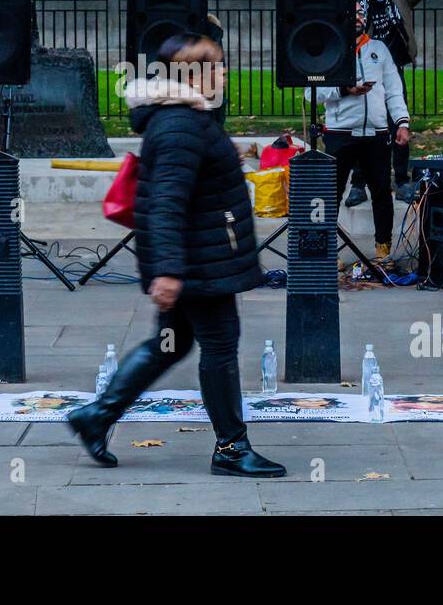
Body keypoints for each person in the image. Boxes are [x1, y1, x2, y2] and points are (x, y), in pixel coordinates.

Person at [66, 33, 285, 478]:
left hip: (197, 257)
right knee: (220, 346)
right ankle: (231, 448)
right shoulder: (181, 126)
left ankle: (97, 416)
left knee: (173, 344)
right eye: (216, 66)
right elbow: (165, 202)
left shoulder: (185, 119)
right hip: (197, 263)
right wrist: (166, 272)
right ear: (190, 74)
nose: (224, 73)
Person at [344, 0, 443, 207]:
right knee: (362, 125)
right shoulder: (357, 3)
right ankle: (358, 184)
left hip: (393, 72)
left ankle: (402, 181)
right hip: (364, 71)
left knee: (399, 124)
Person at [306, 26, 410, 267]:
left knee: (382, 193)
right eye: (352, 12)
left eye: (361, 13)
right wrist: (345, 90)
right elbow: (312, 94)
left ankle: (383, 251)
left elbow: (394, 90)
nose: (357, 18)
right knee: (332, 193)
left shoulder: (379, 49)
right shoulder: (330, 49)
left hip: (377, 133)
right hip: (340, 134)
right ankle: (329, 252)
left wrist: (402, 122)